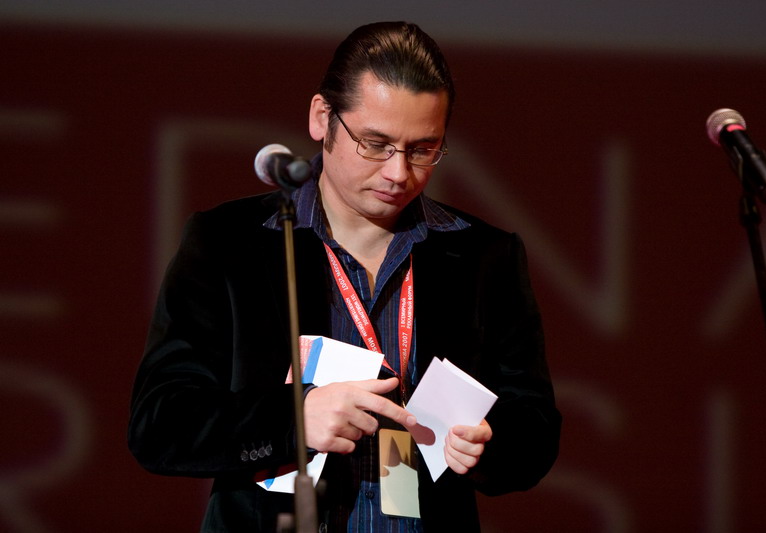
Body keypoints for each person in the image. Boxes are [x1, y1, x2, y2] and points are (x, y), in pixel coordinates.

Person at [128, 21, 561, 532]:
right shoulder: (231, 243)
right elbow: (160, 424)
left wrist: (489, 443)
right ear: (322, 118)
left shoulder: (483, 256)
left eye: (423, 149)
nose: (398, 173)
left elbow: (535, 429)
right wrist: (295, 419)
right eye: (375, 144)